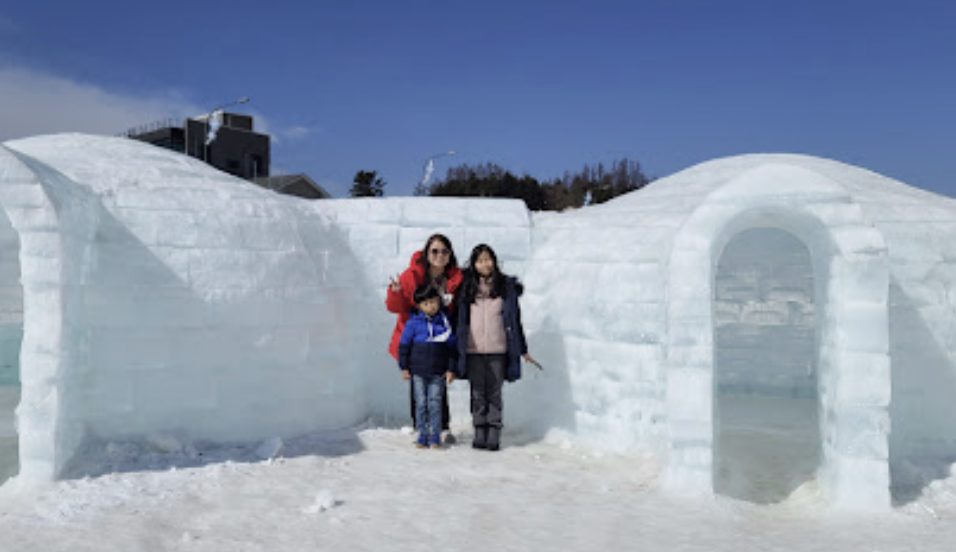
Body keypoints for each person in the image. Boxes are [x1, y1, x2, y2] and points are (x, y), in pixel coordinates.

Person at [457, 244, 535, 451]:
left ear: (494, 261)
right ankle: (479, 430)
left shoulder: (505, 288)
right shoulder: (466, 287)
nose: (485, 264)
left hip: (498, 349)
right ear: (474, 264)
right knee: (477, 393)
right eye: (480, 260)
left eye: (488, 259)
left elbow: (515, 320)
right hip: (473, 350)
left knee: (494, 392)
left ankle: (493, 431)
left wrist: (522, 349)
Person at [385, 233, 463, 442]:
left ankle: (443, 427)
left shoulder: (456, 278)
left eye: (444, 251)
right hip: (415, 338)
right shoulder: (411, 276)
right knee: (417, 385)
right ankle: (421, 427)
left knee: (439, 384)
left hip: (440, 337)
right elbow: (395, 307)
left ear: (450, 254)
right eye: (434, 250)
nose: (439, 255)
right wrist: (396, 293)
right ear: (426, 253)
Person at [398, 284, 459, 448]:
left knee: (435, 403)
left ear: (438, 301)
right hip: (418, 372)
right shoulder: (413, 324)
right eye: (426, 303)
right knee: (421, 403)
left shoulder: (444, 323)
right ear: (419, 306)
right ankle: (422, 435)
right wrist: (404, 367)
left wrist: (451, 368)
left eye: (433, 302)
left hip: (438, 373)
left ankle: (436, 436)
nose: (430, 306)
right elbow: (404, 346)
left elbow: (452, 348)